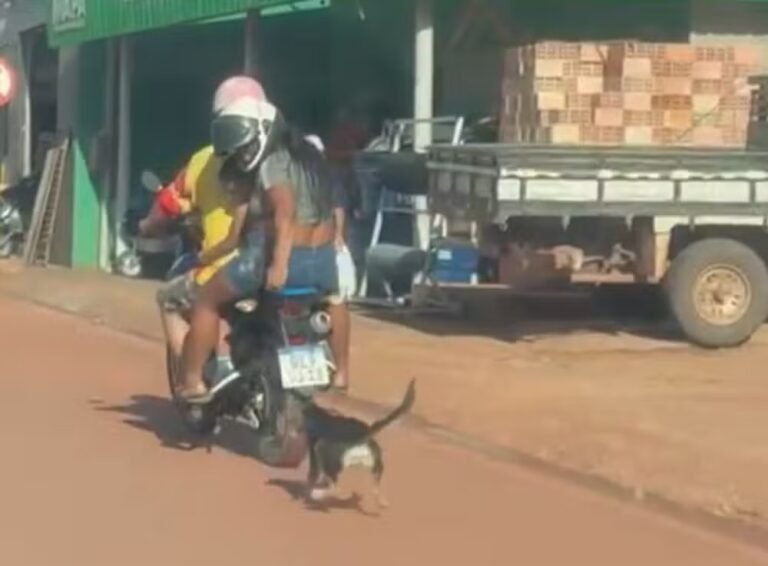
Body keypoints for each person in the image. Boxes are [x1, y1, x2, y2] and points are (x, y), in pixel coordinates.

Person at [177, 96, 345, 403]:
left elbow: (285, 213)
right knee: (335, 298)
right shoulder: (309, 158)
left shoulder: (271, 163)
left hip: (278, 260)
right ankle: (342, 370)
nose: (242, 154)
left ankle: (191, 382)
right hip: (322, 261)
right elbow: (330, 209)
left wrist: (279, 264)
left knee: (206, 301)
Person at [139, 76, 266, 382]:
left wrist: (146, 225)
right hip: (279, 265)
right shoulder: (279, 159)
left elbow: (166, 207)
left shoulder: (204, 160)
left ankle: (193, 378)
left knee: (170, 299)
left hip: (228, 266)